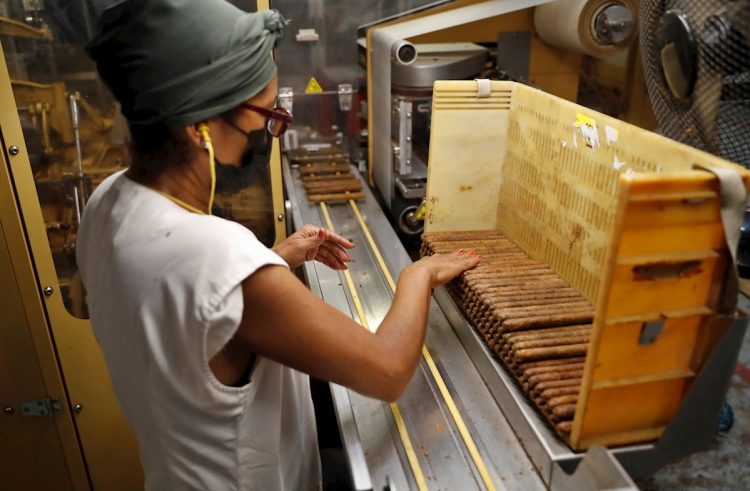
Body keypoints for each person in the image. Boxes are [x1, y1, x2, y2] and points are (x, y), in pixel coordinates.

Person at [77, 1, 480, 490]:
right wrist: (418, 274)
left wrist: (270, 262)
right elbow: (388, 372)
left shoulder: (108, 200)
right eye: (267, 114)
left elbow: (187, 311)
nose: (272, 129)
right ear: (194, 126)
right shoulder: (218, 258)